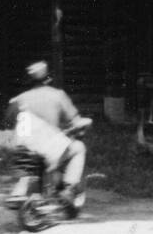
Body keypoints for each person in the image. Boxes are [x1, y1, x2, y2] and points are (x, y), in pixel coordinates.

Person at [5, 61, 90, 214]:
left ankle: (23, 190)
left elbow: (9, 119)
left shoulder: (19, 99)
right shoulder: (58, 95)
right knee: (78, 148)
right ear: (48, 78)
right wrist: (80, 125)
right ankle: (69, 189)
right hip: (48, 147)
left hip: (22, 149)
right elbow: (75, 121)